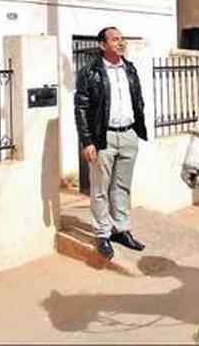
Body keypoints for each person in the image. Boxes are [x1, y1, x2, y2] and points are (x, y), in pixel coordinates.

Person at [74, 26, 148, 261]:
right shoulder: (90, 72)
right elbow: (82, 108)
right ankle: (102, 233)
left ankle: (121, 229)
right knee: (100, 190)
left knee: (122, 187)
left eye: (121, 39)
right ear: (102, 45)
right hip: (102, 137)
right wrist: (87, 141)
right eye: (115, 39)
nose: (120, 42)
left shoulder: (130, 69)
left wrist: (137, 128)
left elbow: (138, 99)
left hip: (128, 135)